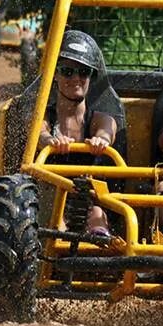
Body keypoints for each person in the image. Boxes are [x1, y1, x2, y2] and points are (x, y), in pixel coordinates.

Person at [36, 30, 119, 241]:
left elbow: (108, 128)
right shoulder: (45, 115)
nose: (76, 78)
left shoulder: (98, 118)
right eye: (67, 71)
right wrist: (50, 140)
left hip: (88, 198)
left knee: (97, 214)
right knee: (56, 217)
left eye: (83, 72)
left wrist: (102, 139)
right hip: (50, 198)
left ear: (91, 77)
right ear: (55, 74)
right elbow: (38, 132)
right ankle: (57, 250)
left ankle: (98, 252)